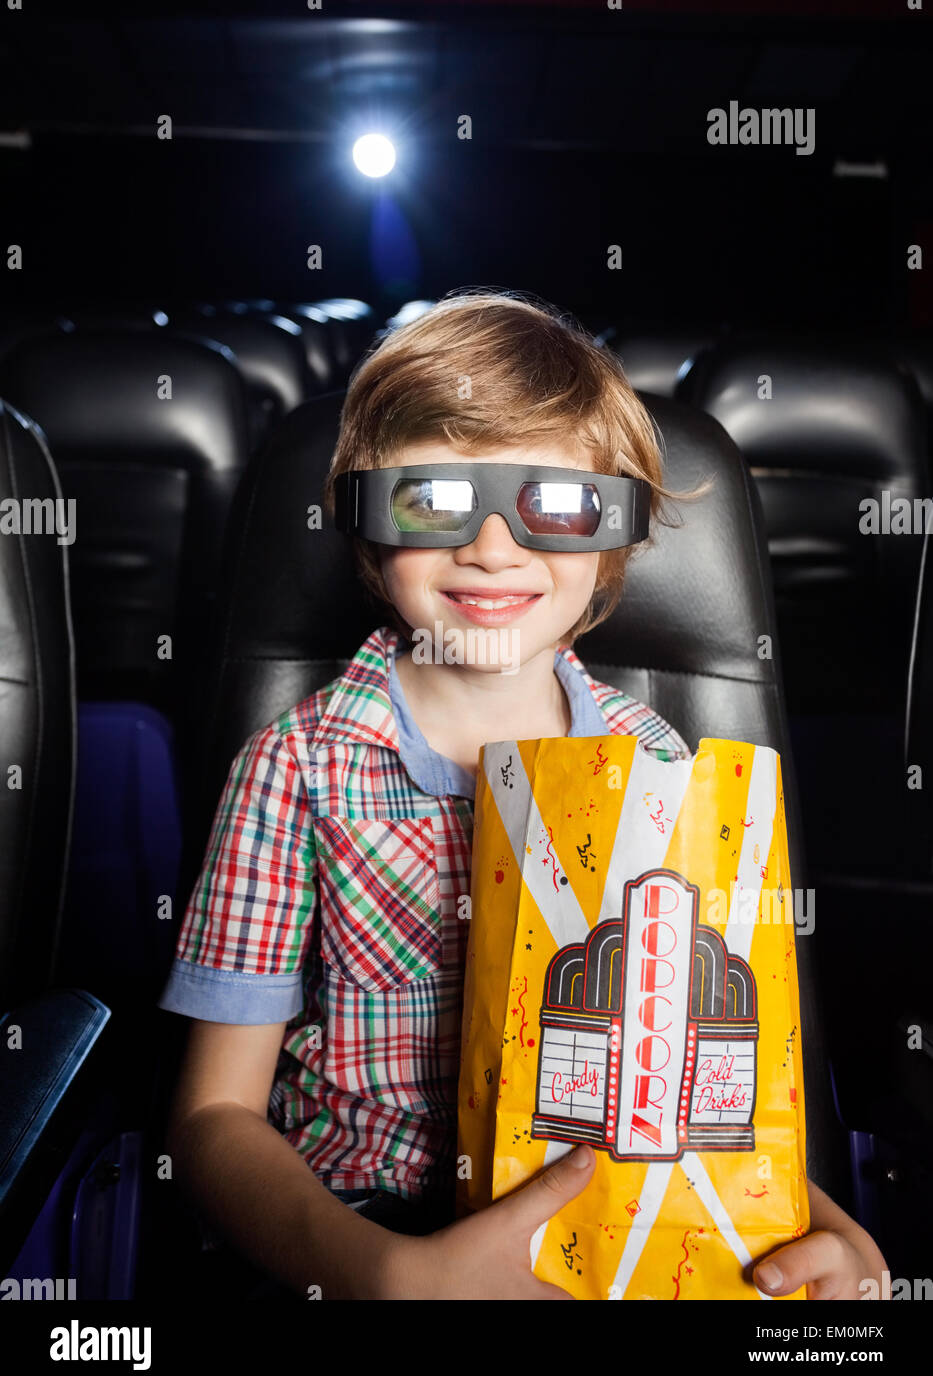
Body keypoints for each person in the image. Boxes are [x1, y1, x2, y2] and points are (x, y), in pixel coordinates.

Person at [157, 289, 887, 1301]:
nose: (495, 547)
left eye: (555, 503)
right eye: (435, 500)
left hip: (613, 1229)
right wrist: (387, 1274)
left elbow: (710, 1075)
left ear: (612, 546)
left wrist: (831, 1228)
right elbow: (210, 1121)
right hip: (364, 1224)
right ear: (371, 528)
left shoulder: (657, 767)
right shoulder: (295, 766)